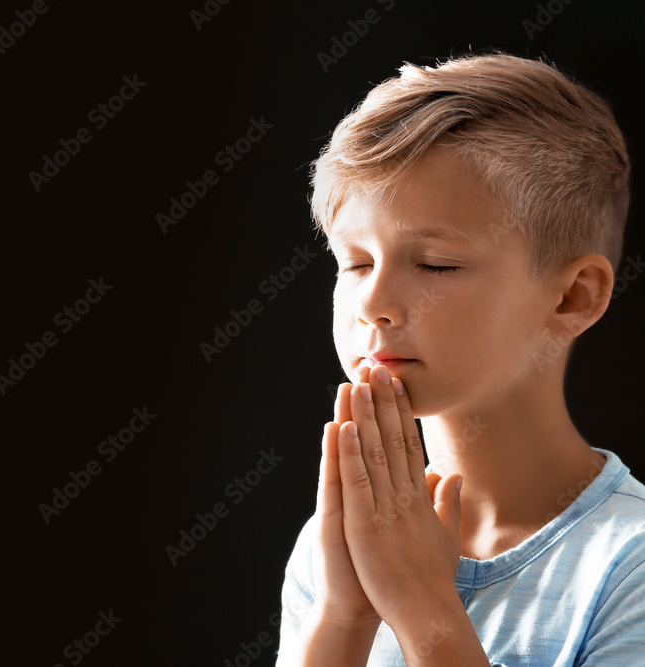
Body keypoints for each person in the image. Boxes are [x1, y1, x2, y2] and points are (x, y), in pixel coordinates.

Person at [275, 51, 645, 666]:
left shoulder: (625, 565)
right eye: (356, 262)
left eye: (435, 265)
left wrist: (422, 603)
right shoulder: (334, 548)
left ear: (573, 296)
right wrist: (344, 616)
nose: (373, 302)